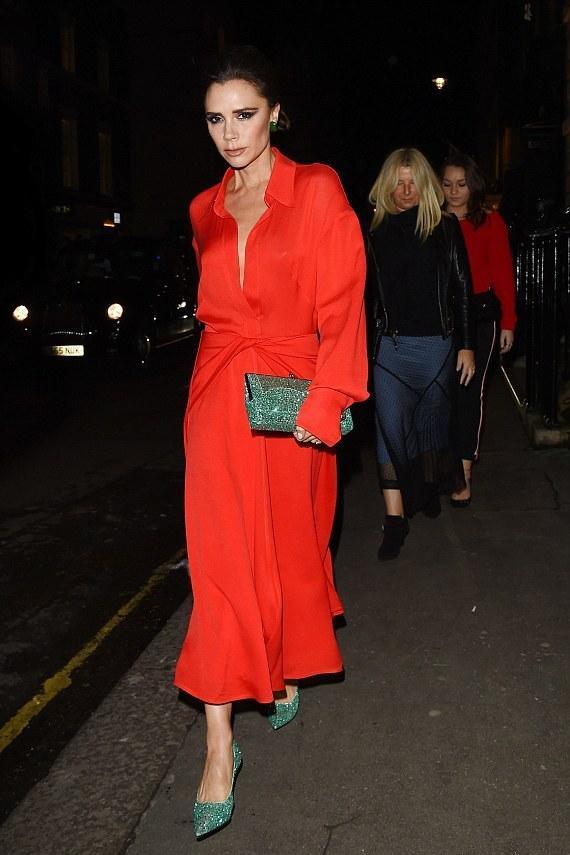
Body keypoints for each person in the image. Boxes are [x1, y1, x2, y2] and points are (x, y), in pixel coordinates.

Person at [174, 45, 368, 839]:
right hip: (219, 397)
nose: (230, 133)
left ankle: (279, 663)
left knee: (288, 549)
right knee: (220, 563)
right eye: (215, 119)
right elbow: (215, 312)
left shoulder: (316, 188)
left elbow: (343, 303)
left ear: (275, 114)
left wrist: (328, 398)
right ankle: (219, 746)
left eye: (244, 115)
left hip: (293, 402)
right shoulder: (203, 209)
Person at [368, 147, 475, 560]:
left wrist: (466, 344)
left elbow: (462, 289)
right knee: (389, 429)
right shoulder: (374, 232)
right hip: (390, 351)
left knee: (430, 427)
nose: (407, 190)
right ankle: (394, 521)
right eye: (399, 182)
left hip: (436, 349)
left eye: (414, 182)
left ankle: (428, 487)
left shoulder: (445, 228)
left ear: (426, 185)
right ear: (387, 185)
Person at [441, 151, 517, 505]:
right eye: (447, 184)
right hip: (442, 318)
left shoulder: (489, 222)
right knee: (442, 394)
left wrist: (509, 323)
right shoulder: (433, 221)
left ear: (472, 186)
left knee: (470, 393)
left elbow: (502, 272)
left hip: (481, 315)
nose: (455, 191)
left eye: (461, 184)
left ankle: (464, 472)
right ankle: (442, 466)